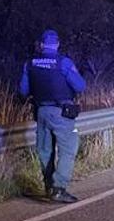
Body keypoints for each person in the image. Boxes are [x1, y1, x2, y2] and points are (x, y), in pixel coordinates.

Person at [18, 29, 87, 202]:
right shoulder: (63, 63)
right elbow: (80, 86)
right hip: (62, 113)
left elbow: (23, 91)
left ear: (41, 44)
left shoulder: (30, 64)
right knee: (68, 150)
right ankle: (59, 187)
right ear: (57, 44)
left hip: (41, 112)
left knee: (45, 151)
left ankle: (48, 186)